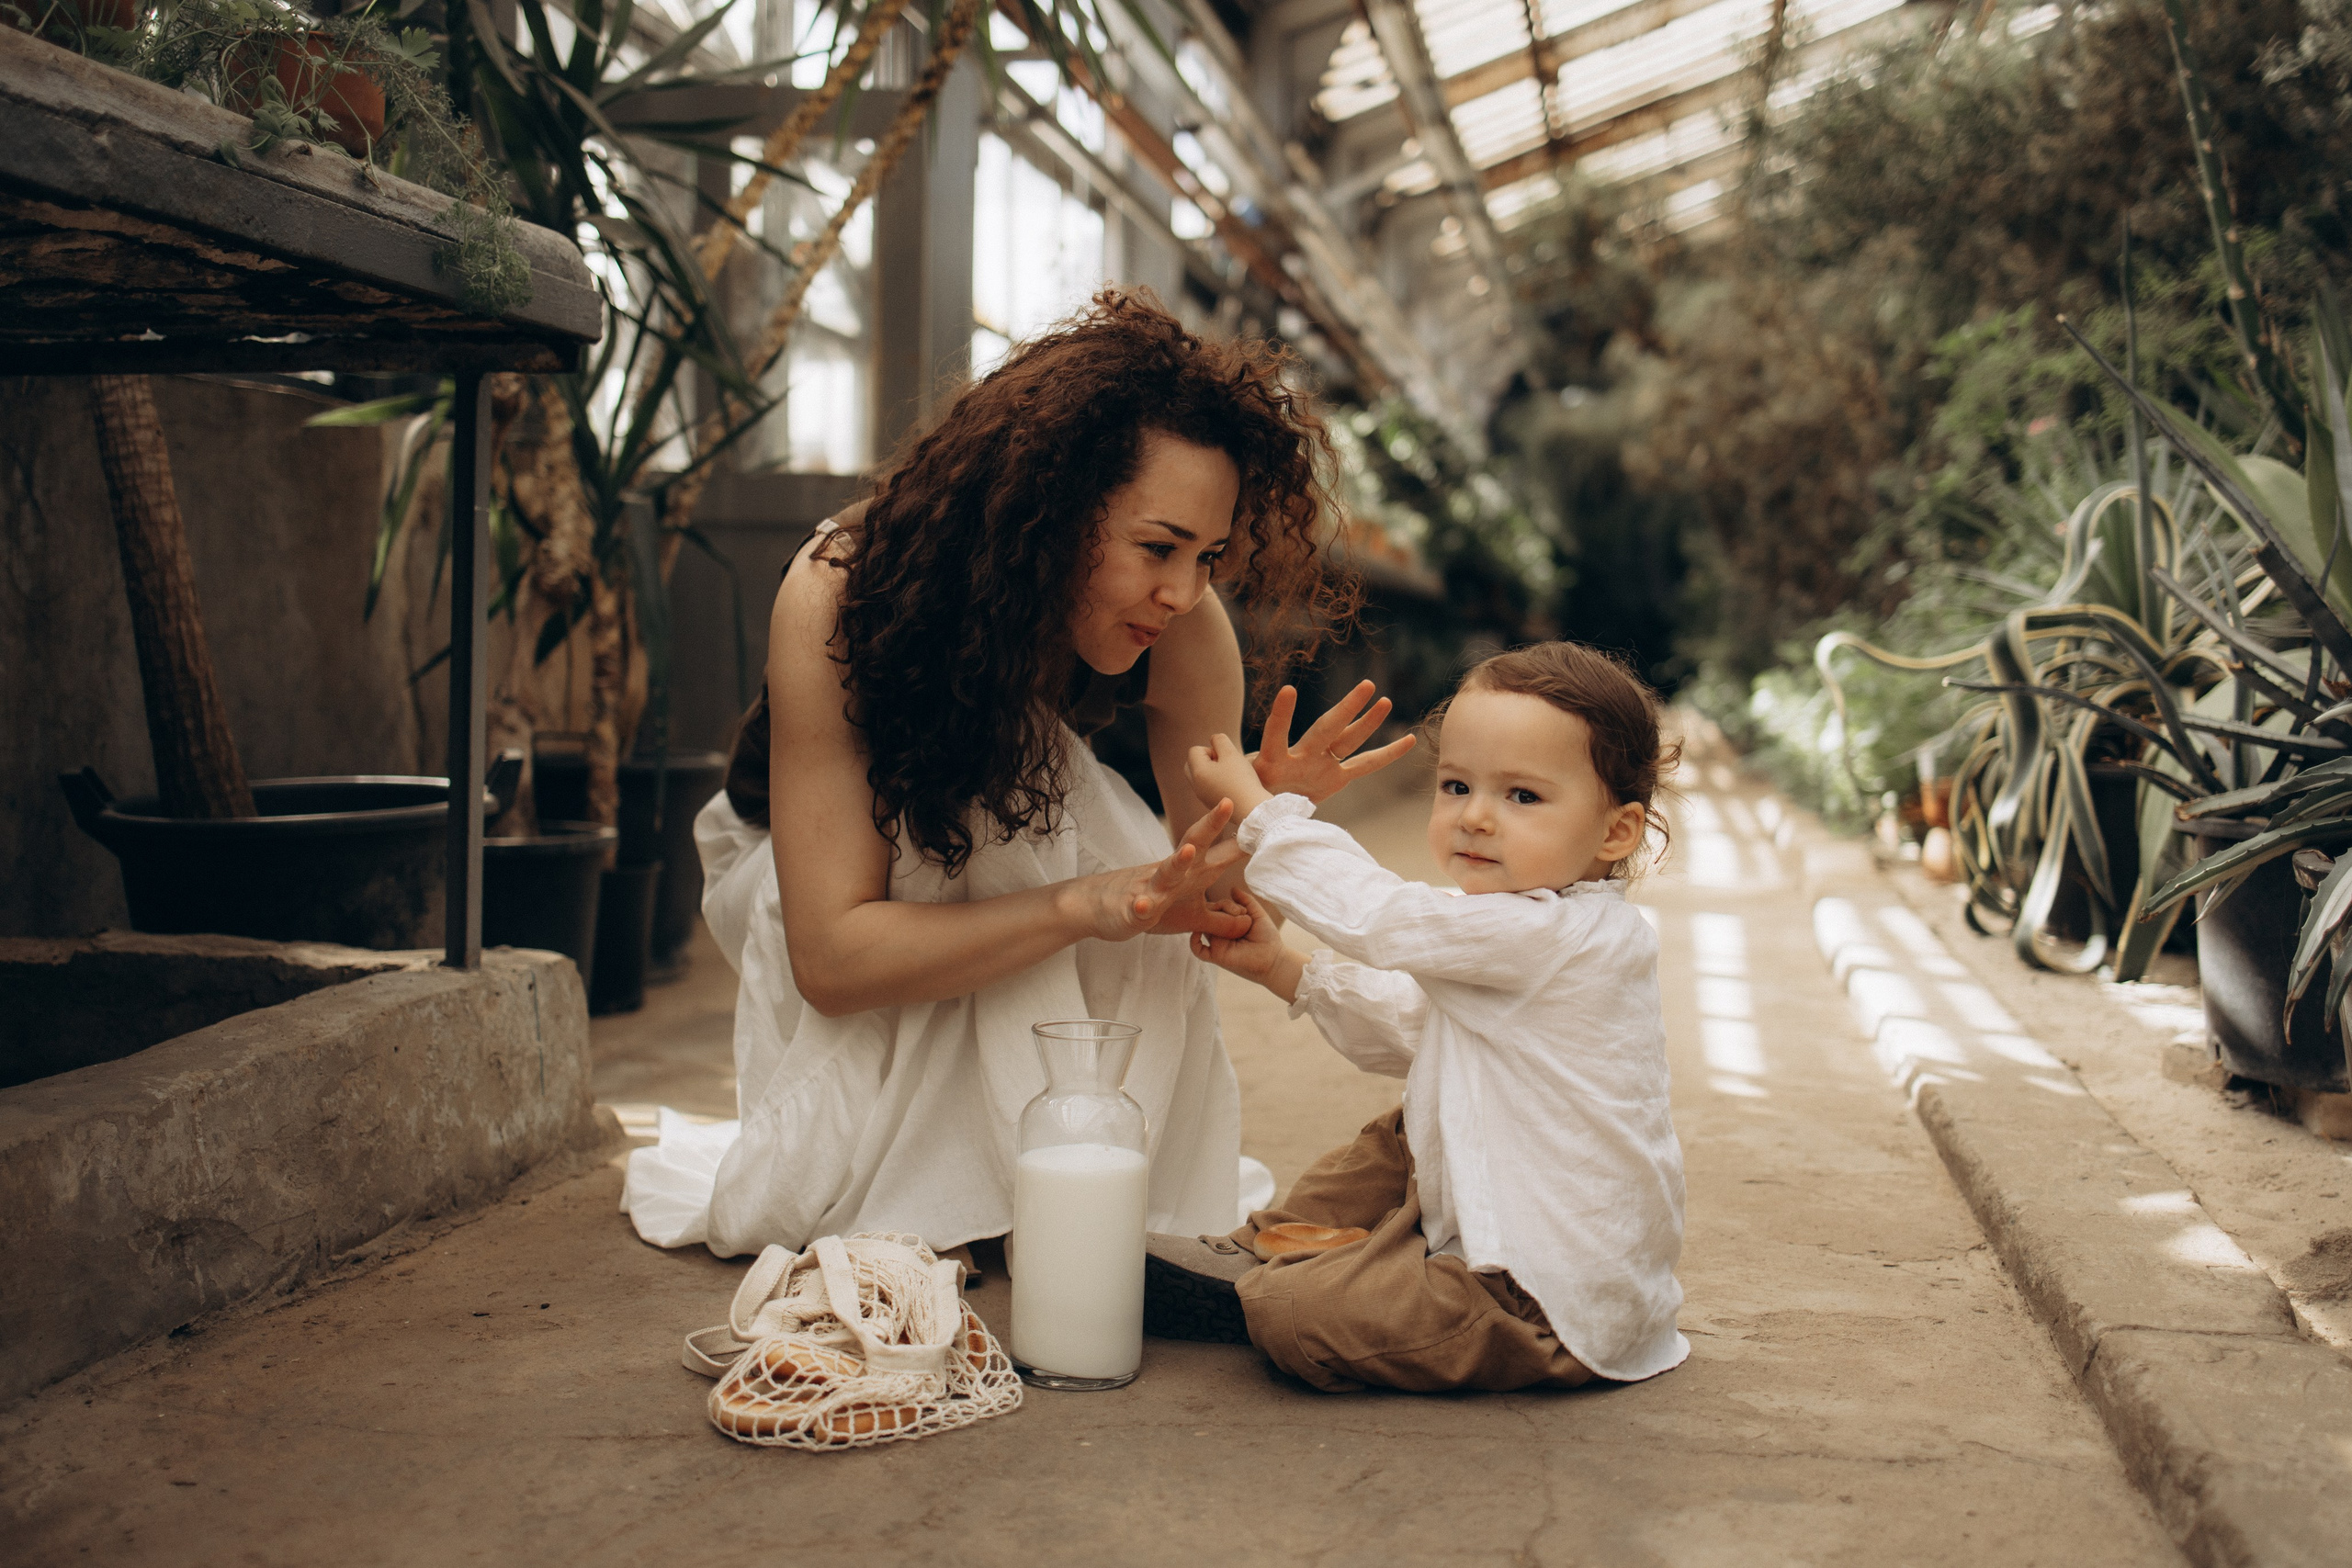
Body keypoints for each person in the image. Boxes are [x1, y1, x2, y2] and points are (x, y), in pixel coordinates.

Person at [621, 289, 1412, 1258]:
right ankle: (966, 1188)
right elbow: (828, 961)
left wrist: (1262, 826)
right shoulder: (840, 589)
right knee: (1022, 819)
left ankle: (1080, 1183)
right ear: (1046, 511)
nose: (1183, 591)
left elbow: (1208, 913)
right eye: (1156, 547)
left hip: (1014, 826)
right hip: (803, 875)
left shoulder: (1188, 629)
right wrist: (1083, 905)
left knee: (1064, 828)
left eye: (1209, 556)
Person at [1148, 641, 1690, 1393]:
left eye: (1522, 796)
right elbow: (1422, 1026)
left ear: (1616, 832)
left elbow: (1380, 916)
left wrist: (1266, 815)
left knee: (1292, 1316)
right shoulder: (1537, 924)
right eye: (1457, 784)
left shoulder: (1548, 934)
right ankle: (1277, 1243)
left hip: (1539, 1300)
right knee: (1402, 1130)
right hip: (1510, 1230)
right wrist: (1284, 969)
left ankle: (1301, 1276)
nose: (1475, 817)